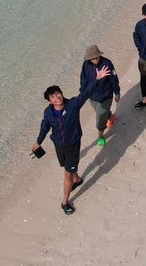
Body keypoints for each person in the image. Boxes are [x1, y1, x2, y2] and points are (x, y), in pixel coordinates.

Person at [33, 63, 112, 215]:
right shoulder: (48, 113)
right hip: (59, 145)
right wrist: (38, 141)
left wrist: (96, 78)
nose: (57, 97)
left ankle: (64, 202)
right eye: (53, 96)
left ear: (62, 93)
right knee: (66, 166)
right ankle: (77, 179)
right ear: (50, 101)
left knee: (67, 173)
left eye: (58, 93)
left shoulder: (73, 105)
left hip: (73, 145)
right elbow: (44, 127)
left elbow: (86, 92)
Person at [79, 45, 119, 147]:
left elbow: (113, 79)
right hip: (91, 96)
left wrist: (117, 92)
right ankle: (111, 117)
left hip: (105, 96)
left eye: (97, 57)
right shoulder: (86, 65)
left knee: (100, 116)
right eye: (92, 58)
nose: (95, 60)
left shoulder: (107, 63)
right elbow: (83, 80)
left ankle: (100, 135)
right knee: (101, 112)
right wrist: (83, 92)